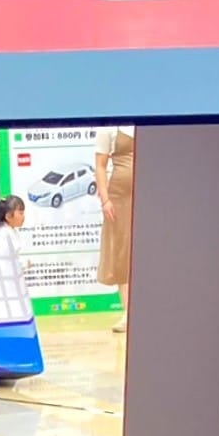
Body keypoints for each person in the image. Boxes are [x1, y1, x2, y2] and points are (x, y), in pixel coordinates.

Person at [94, 125, 136, 334]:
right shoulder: (109, 129)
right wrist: (105, 199)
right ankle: (129, 313)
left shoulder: (150, 121)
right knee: (122, 253)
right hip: (119, 197)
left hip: (151, 192)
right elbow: (100, 166)